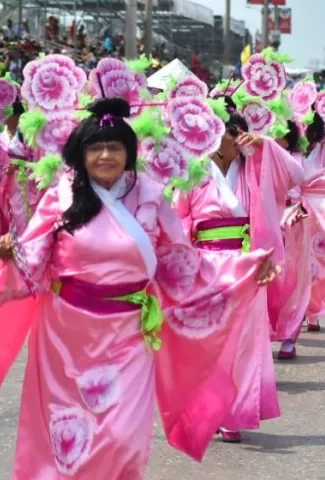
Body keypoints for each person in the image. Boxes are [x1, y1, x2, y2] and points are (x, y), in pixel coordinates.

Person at [0, 98, 279, 478]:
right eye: (95, 147)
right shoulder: (61, 196)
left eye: (114, 147)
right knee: (65, 440)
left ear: (129, 153)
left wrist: (245, 263)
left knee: (123, 440)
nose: (104, 156)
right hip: (65, 337)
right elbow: (32, 264)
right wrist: (8, 253)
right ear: (80, 153)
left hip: (129, 335)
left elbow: (182, 264)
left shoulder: (149, 195)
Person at [176, 109, 301, 443]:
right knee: (205, 342)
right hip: (203, 265)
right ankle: (205, 408)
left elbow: (296, 175)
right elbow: (178, 217)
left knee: (242, 341)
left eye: (231, 133)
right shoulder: (193, 171)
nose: (225, 139)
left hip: (245, 264)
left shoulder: (254, 168)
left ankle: (232, 412)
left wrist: (264, 145)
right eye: (219, 132)